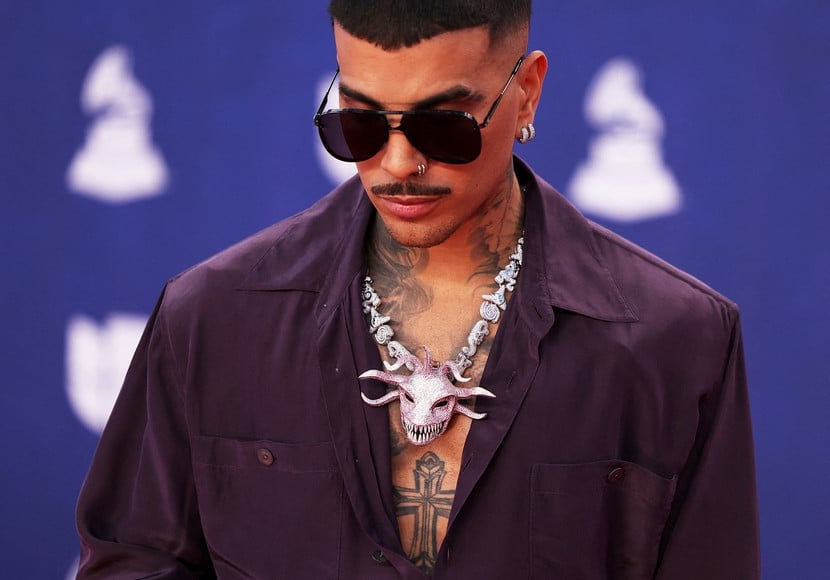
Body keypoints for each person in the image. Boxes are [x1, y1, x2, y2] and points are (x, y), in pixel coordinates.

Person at [75, 1, 760, 578]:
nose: (399, 163)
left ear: (527, 91)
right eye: (361, 123)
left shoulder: (677, 339)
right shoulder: (212, 319)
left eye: (444, 125)